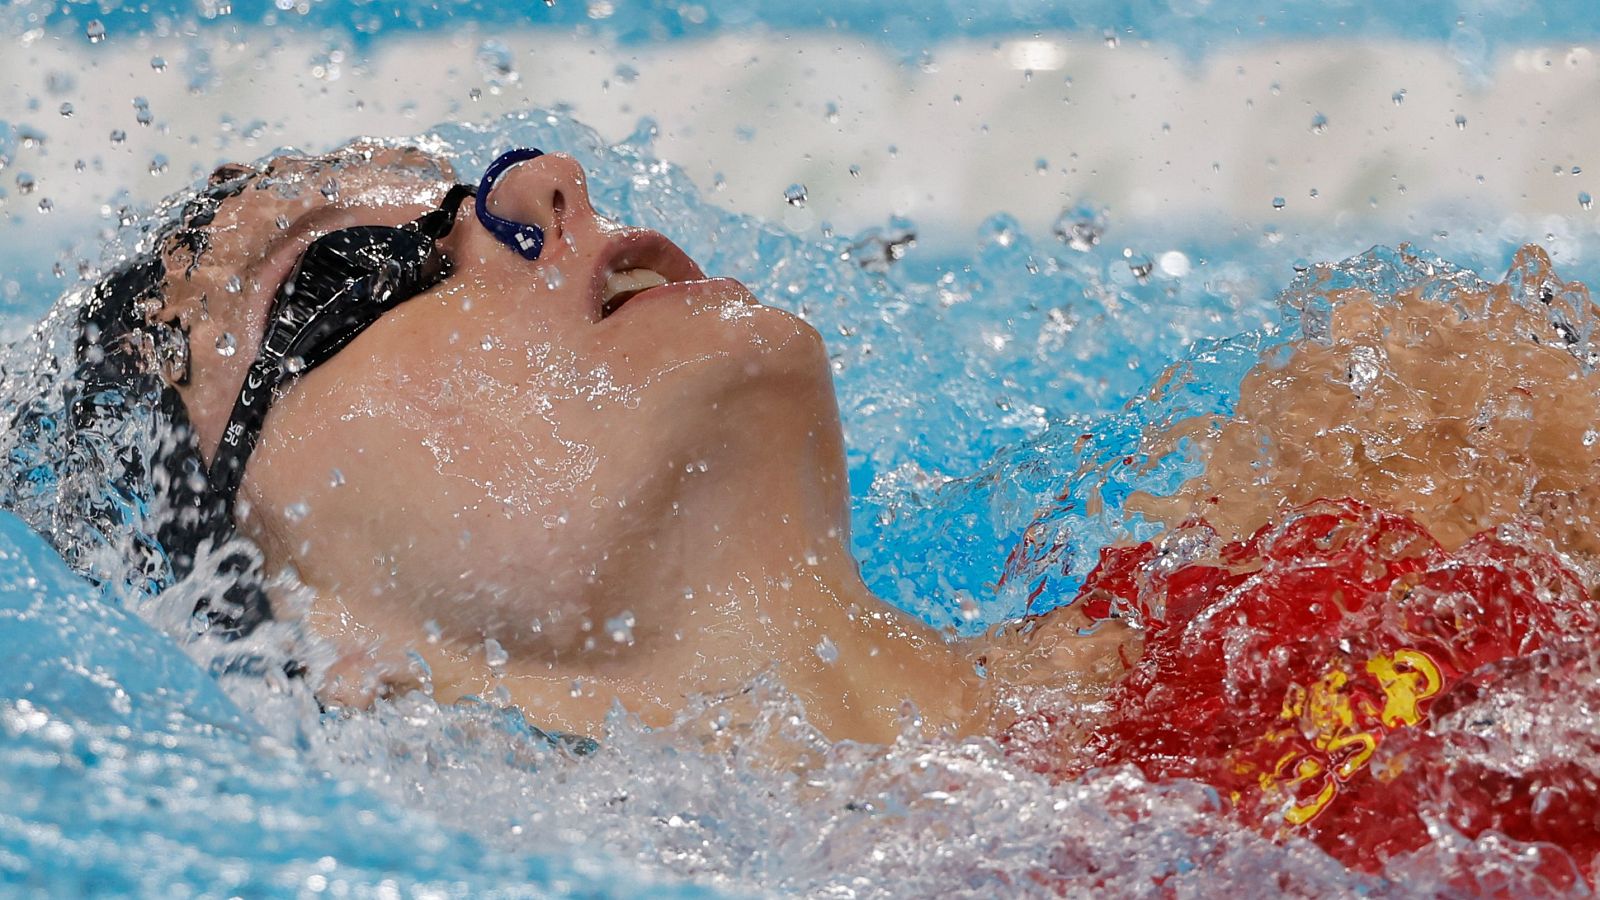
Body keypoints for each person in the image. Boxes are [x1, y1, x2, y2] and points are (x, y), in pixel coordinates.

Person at [69, 141, 1131, 746]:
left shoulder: (1258, 598)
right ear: (303, 630)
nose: (543, 180)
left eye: (472, 187)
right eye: (346, 269)